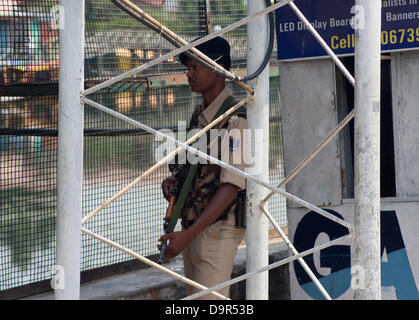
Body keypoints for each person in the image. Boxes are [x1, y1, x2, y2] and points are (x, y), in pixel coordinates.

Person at [158, 36, 247, 299]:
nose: (189, 73)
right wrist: (174, 186)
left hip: (218, 231)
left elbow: (231, 187)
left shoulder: (236, 120)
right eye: (188, 67)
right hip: (194, 226)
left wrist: (187, 235)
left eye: (196, 67)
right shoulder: (200, 116)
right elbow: (195, 172)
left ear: (217, 70)